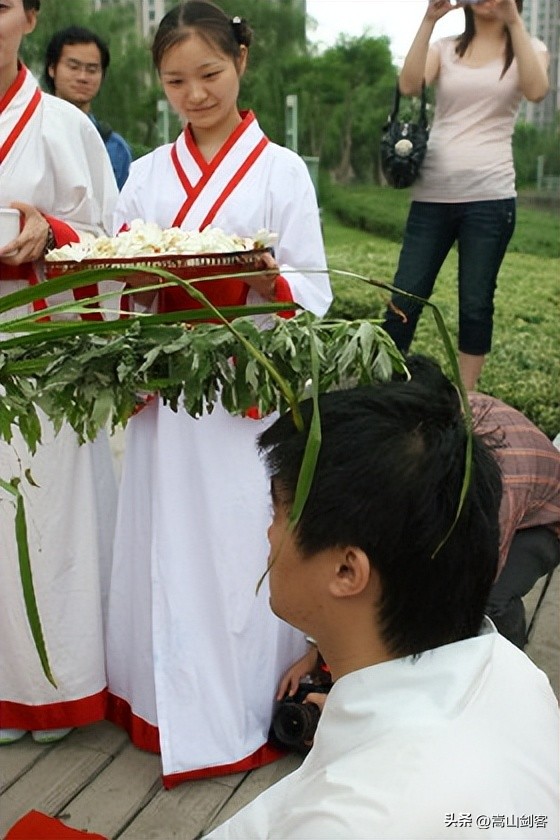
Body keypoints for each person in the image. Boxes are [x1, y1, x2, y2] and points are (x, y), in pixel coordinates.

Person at [104, 0, 332, 787]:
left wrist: (262, 285)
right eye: (175, 81)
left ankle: (235, 704)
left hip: (240, 392)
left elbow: (315, 286)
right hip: (170, 397)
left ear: (241, 61)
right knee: (166, 539)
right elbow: (118, 267)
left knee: (239, 543)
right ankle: (160, 701)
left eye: (209, 73)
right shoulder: (146, 174)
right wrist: (129, 316)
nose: (195, 94)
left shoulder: (282, 170)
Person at [204, 360, 559, 840]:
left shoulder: (352, 820)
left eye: (279, 512)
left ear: (347, 570)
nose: (269, 534)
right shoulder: (517, 676)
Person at [0, 0, 119, 745]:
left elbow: (112, 240)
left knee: (44, 512)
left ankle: (55, 688)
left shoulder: (64, 126)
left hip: (40, 346)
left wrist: (56, 232)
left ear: (30, 17)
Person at [382, 0, 549, 391]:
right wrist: (428, 19)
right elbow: (408, 85)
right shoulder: (445, 47)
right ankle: (381, 386)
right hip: (432, 197)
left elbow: (537, 90)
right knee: (405, 297)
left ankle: (467, 399)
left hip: (490, 198)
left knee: (475, 303)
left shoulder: (531, 47)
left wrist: (514, 21)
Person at [471, 393, 560, 649]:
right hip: (522, 489)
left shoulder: (503, 491)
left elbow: (482, 570)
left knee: (488, 596)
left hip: (544, 523)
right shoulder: (449, 406)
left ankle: (510, 658)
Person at [44, 26, 132, 190]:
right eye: (73, 67)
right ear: (52, 69)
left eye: (92, 70)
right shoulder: (30, 134)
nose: (82, 77)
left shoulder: (114, 149)